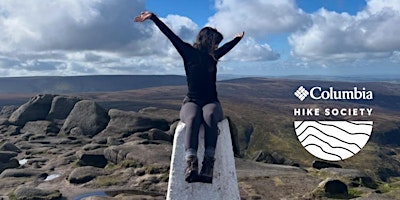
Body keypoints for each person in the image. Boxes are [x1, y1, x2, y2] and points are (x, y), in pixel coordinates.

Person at [134, 11, 244, 183]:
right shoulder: (188, 52)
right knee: (192, 117)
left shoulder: (213, 57)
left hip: (211, 101)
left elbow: (227, 48)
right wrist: (153, 18)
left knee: (209, 116)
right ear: (208, 41)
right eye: (215, 43)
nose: (217, 47)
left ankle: (208, 164)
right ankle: (191, 163)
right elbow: (171, 35)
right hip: (191, 101)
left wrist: (237, 39)